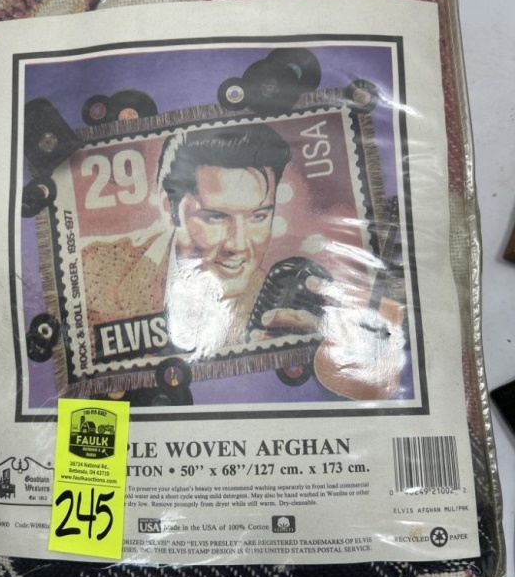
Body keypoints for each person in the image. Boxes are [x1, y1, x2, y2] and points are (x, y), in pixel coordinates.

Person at [82, 124, 404, 399]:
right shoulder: (95, 270)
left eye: (258, 216)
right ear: (170, 208)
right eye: (215, 217)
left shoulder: (279, 315)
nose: (238, 245)